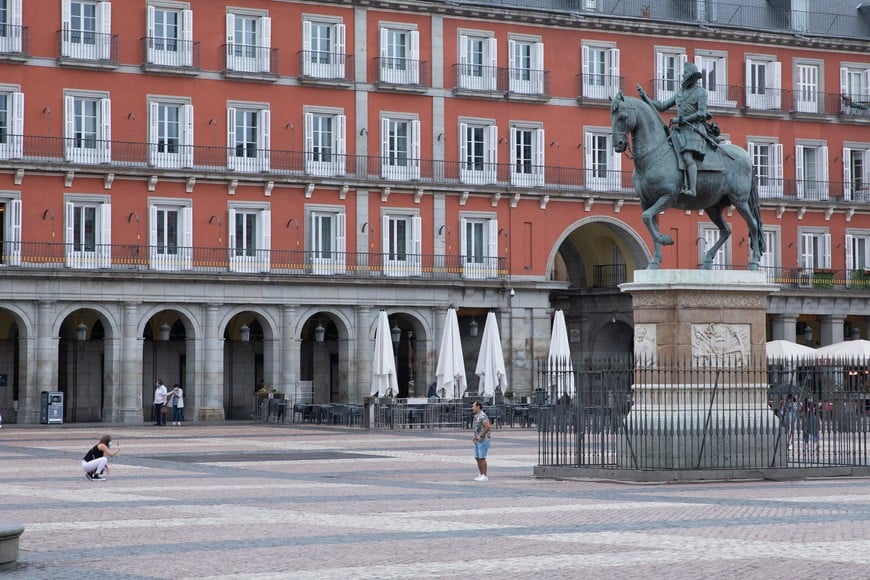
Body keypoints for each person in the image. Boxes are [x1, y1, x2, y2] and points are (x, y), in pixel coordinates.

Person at [637, 62, 710, 197]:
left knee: (688, 157)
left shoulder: (700, 92)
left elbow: (702, 113)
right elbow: (662, 106)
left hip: (695, 130)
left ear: (692, 76)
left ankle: (692, 189)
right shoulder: (680, 93)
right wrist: (645, 97)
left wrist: (681, 120)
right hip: (680, 131)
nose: (682, 76)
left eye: (685, 74)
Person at [471, 400, 491, 482]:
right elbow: (477, 427)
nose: (472, 408)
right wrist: (474, 436)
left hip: (483, 439)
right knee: (477, 457)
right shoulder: (476, 416)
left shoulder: (482, 415)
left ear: (478, 407)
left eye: (473, 406)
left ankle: (484, 475)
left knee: (482, 457)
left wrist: (482, 435)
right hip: (477, 439)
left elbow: (487, 426)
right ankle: (481, 473)